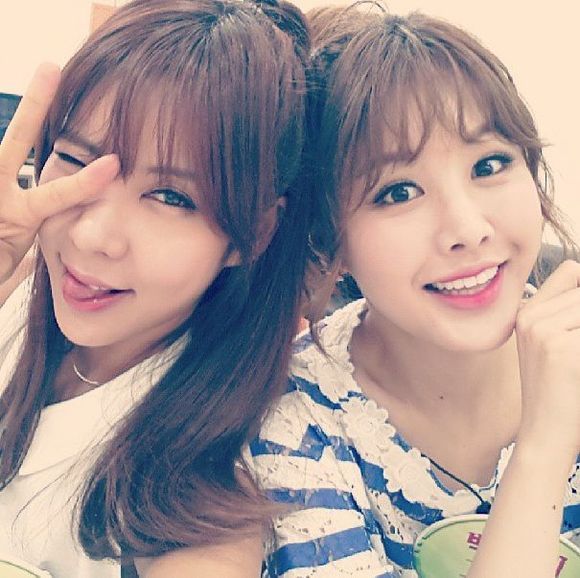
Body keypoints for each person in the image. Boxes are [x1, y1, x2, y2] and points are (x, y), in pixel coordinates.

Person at [249, 6, 580, 578]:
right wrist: (545, 446)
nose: (467, 229)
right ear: (330, 242)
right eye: (398, 192)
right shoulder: (295, 427)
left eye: (489, 164)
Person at [0, 0, 311, 576]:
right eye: (76, 160)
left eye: (171, 197)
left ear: (255, 232)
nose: (93, 237)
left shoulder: (195, 497)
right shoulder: (19, 289)